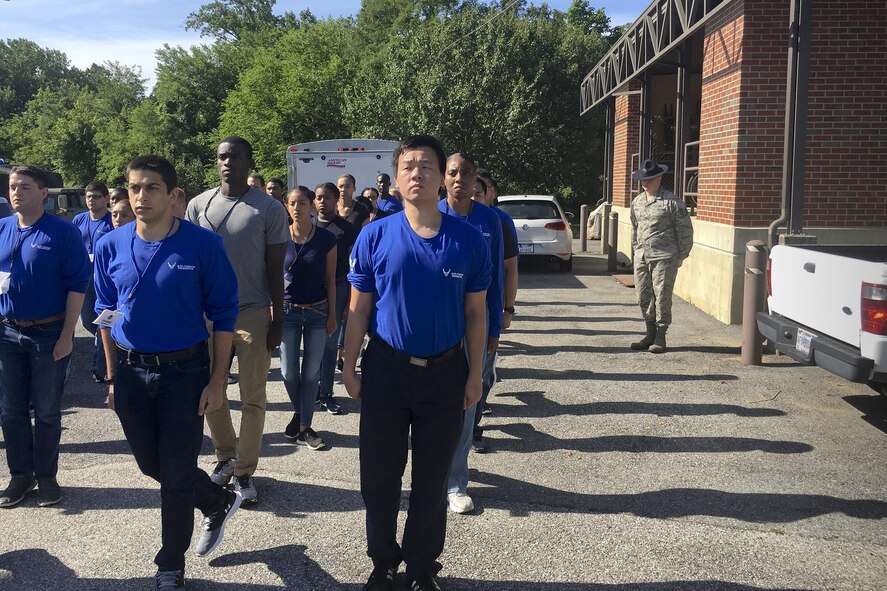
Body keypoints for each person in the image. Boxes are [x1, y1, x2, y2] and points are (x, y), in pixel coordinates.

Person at [343, 135, 490, 591]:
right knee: (379, 478)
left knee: (431, 480)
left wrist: (474, 374)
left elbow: (476, 312)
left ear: (443, 176)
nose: (417, 173)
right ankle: (383, 561)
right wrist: (348, 366)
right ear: (397, 174)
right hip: (387, 369)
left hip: (445, 373)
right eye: (408, 166)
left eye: (427, 166)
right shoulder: (375, 235)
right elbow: (359, 308)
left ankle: (423, 566)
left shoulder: (467, 240)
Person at [94, 155, 242, 590]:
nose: (141, 196)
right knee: (149, 464)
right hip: (130, 371)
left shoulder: (202, 246)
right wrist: (111, 376)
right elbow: (105, 314)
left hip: (185, 371)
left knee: (175, 475)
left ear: (172, 194)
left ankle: (169, 565)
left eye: (152, 187)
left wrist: (217, 381)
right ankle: (215, 499)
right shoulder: (111, 245)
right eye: (135, 187)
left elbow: (224, 313)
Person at [186, 136, 289, 505]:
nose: (227, 162)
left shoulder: (269, 208)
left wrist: (278, 319)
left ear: (248, 161)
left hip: (253, 312)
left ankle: (245, 471)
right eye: (221, 157)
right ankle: (225, 457)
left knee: (253, 397)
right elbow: (190, 265)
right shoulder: (199, 205)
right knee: (212, 393)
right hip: (208, 316)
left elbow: (275, 270)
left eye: (235, 156)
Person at [0, 165, 90, 508]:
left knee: (49, 410)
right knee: (11, 410)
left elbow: (76, 285)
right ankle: (20, 476)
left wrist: (68, 334)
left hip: (49, 332)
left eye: (24, 186)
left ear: (42, 193)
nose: (16, 192)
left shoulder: (62, 233)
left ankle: (47, 477)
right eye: (12, 186)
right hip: (8, 330)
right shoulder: (3, 229)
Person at [439, 153, 504, 515]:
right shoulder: (432, 216)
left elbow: (494, 278)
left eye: (466, 172)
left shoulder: (489, 220)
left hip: (475, 326)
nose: (459, 178)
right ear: (443, 179)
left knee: (466, 405)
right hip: (439, 327)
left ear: (475, 178)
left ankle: (456, 483)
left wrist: (495, 326)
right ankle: (432, 474)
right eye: (453, 172)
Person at [279, 186, 337, 450]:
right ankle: (301, 414)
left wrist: (333, 314)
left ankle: (304, 427)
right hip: (288, 311)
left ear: (312, 206)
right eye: (292, 203)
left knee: (311, 373)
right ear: (286, 207)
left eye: (302, 203)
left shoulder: (326, 239)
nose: (297, 208)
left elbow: (331, 280)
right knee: (288, 372)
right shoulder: (279, 237)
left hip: (317, 311)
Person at [470, 173, 518, 453]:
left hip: (488, 309)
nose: (473, 198)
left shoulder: (499, 222)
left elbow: (509, 269)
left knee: (483, 374)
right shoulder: (444, 217)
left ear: (489, 194)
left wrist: (508, 308)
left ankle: (475, 426)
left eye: (479, 193)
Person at [629, 159, 694, 353]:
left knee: (662, 297)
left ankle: (660, 335)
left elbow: (685, 230)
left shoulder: (672, 202)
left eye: (648, 179)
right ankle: (649, 332)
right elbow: (635, 228)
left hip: (665, 257)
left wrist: (682, 254)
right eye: (642, 179)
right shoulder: (638, 201)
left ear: (658, 178)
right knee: (643, 296)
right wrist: (636, 249)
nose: (644, 183)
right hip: (642, 256)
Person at [314, 182, 358, 415]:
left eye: (328, 198)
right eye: (319, 198)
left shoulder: (345, 228)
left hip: (339, 287)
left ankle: (326, 393)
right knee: (312, 342)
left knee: (330, 342)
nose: (323, 202)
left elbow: (354, 266)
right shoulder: (307, 225)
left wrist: (350, 298)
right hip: (311, 291)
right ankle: (312, 389)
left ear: (335, 200)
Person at [72, 181, 114, 383]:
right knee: (88, 321)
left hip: (104, 279)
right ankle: (103, 348)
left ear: (106, 199)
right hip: (84, 278)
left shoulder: (111, 220)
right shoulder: (79, 220)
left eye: (96, 196)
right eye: (88, 196)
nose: (91, 200)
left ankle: (100, 366)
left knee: (103, 321)